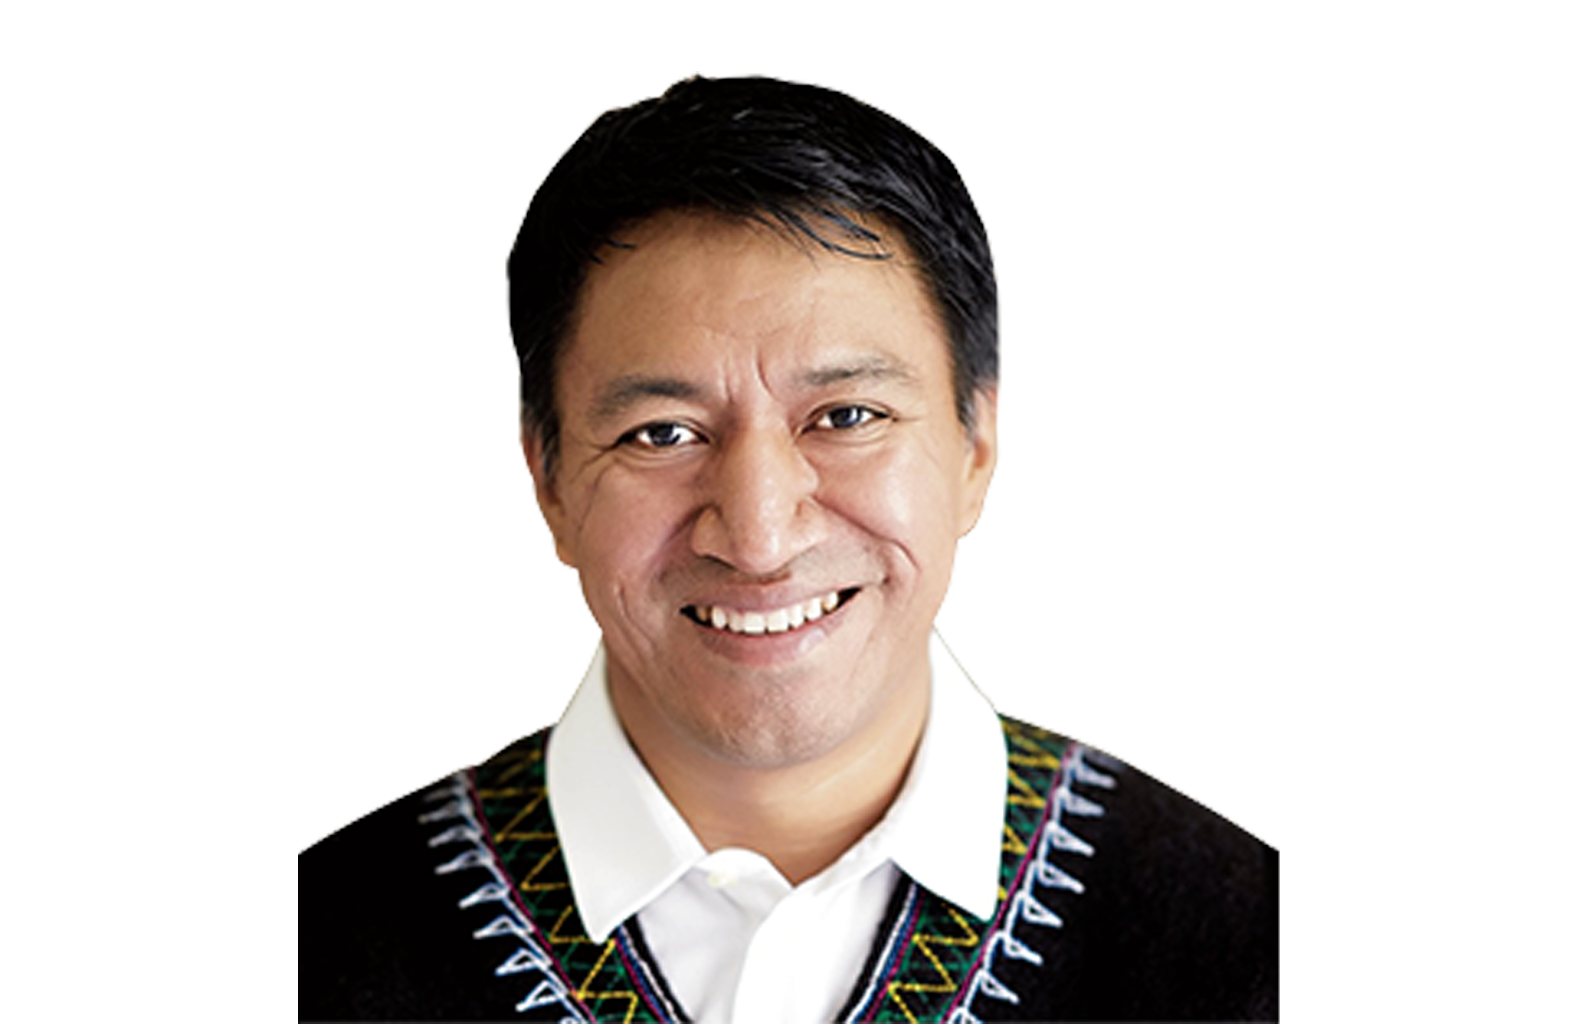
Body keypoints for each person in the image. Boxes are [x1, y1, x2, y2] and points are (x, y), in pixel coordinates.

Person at [299, 76, 1277, 1023]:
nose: (760, 535)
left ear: (975, 448)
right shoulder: (298, 955)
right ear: (549, 478)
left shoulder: (1262, 947)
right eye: (662, 433)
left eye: (846, 416)